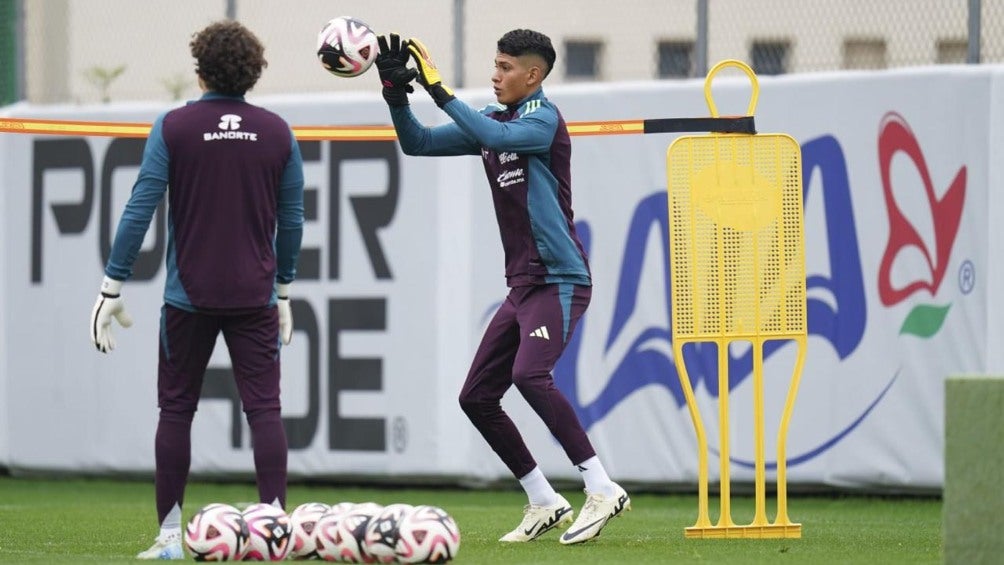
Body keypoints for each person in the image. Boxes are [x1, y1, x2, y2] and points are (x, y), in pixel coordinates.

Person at [374, 30, 630, 544]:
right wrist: (396, 92)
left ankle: (601, 487)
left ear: (532, 75)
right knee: (476, 397)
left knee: (531, 376)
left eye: (505, 66)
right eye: (494, 65)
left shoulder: (542, 119)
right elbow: (417, 142)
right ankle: (543, 498)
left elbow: (500, 141)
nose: (495, 75)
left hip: (560, 280)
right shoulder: (491, 119)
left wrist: (440, 89)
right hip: (522, 289)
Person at [88, 20, 304, 560]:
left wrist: (112, 283)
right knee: (265, 410)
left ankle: (167, 538)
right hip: (254, 298)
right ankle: (274, 528)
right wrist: (283, 289)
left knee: (176, 410)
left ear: (200, 68)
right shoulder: (277, 131)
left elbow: (141, 207)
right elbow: (294, 219)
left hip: (188, 298)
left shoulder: (175, 126)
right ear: (254, 71)